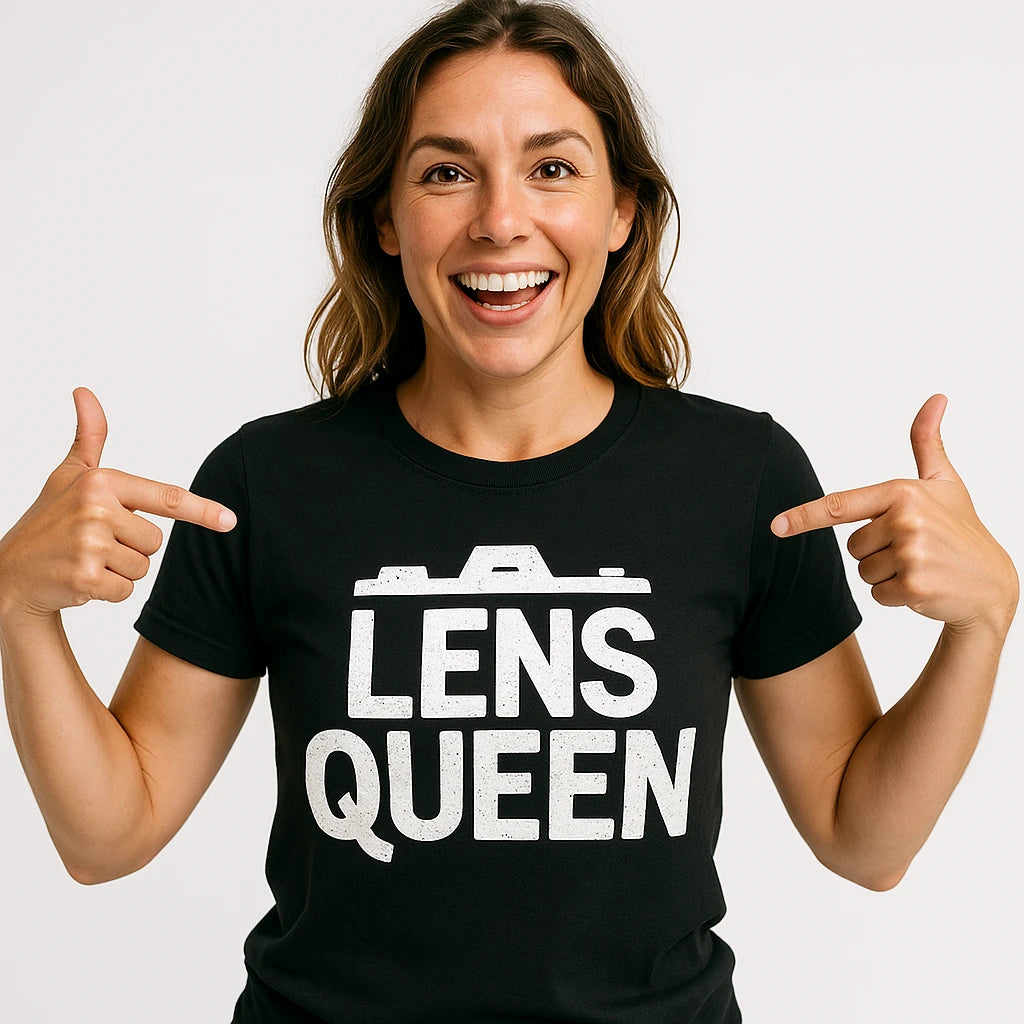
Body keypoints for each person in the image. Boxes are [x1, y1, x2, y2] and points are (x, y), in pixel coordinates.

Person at [0, 0, 1017, 1021]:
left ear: (621, 208)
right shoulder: (270, 483)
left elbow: (863, 838)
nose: (499, 219)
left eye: (552, 167)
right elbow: (106, 836)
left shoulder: (738, 474)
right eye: (446, 171)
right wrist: (18, 607)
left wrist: (982, 622)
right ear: (385, 218)